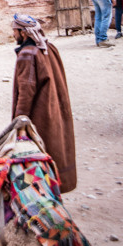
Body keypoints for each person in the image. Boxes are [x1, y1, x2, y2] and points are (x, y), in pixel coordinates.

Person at [11, 12, 77, 194]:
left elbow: (26, 91)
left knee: (34, 156)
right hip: (53, 109)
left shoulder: (28, 54)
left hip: (39, 116)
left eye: (15, 31)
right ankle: (52, 189)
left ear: (23, 33)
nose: (14, 35)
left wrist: (19, 121)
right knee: (54, 150)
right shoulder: (49, 48)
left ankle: (37, 193)